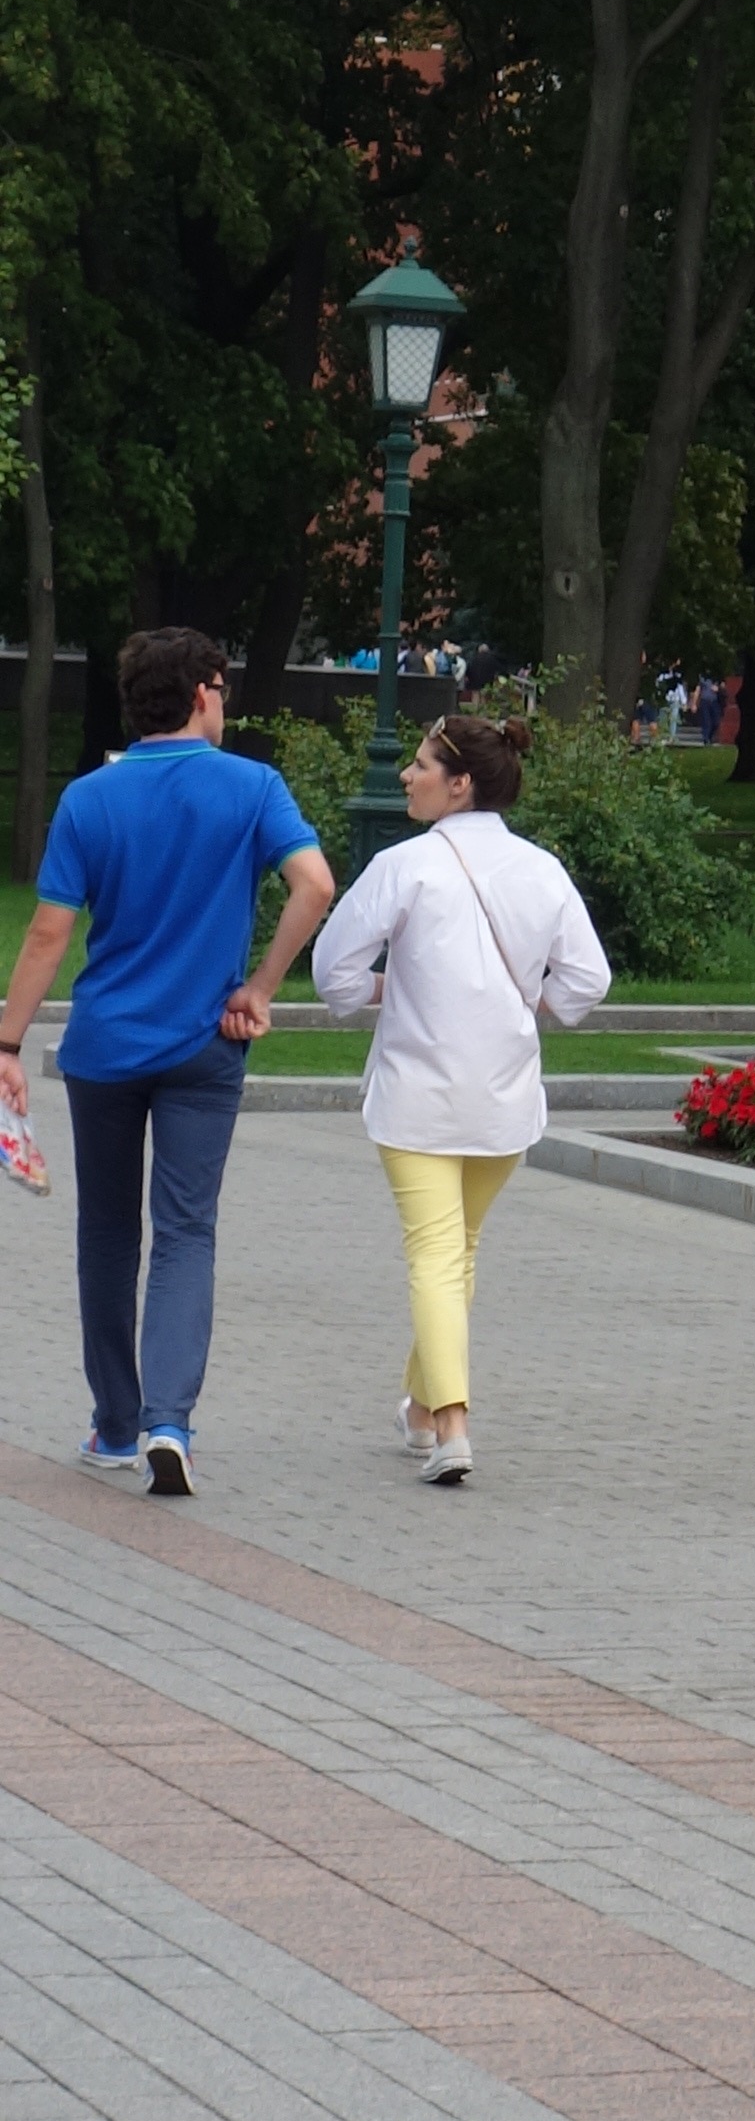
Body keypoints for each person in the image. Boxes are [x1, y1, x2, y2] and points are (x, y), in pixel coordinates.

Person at [0, 627, 335, 1494]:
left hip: (106, 1046)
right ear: (200, 694)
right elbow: (315, 884)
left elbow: (48, 934)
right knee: (186, 1231)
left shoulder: (89, 798)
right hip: (205, 1044)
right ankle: (170, 1422)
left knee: (108, 1232)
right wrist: (260, 985)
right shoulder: (254, 787)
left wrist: (7, 1042)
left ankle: (114, 1422)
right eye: (222, 689)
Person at [309, 706, 611, 1484]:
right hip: (503, 1098)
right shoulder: (541, 870)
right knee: (456, 1253)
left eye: (420, 766)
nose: (407, 777)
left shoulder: (404, 866)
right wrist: (530, 1000)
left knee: (437, 1257)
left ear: (460, 784)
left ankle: (452, 1425)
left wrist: (384, 988)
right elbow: (587, 980)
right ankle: (420, 1410)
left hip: (417, 1096)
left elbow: (334, 973)